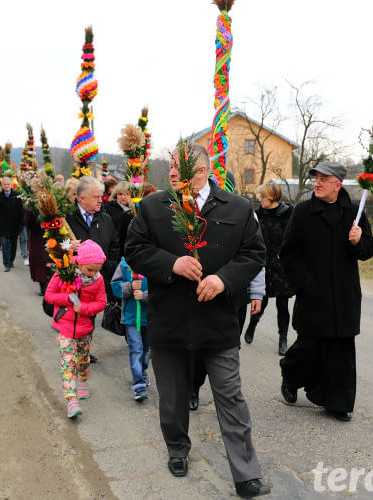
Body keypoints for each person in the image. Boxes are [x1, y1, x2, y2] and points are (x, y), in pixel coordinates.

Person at [125, 142, 271, 498]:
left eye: (180, 167)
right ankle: (177, 448)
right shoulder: (151, 206)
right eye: (171, 166)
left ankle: (246, 472)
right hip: (169, 321)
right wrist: (171, 264)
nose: (172, 172)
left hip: (217, 322)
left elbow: (255, 253)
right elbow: (135, 249)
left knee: (230, 396)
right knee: (173, 396)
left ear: (203, 171)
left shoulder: (237, 207)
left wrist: (224, 279)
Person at [279, 162, 373, 422]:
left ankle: (337, 402)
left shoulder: (354, 213)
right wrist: (304, 284)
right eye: (316, 178)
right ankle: (290, 375)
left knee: (341, 350)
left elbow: (368, 249)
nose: (318, 183)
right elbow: (288, 253)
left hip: (344, 295)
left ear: (339, 184)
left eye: (324, 179)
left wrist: (358, 242)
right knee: (309, 348)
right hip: (313, 293)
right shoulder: (302, 212)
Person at [44, 240, 107, 418]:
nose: (93, 273)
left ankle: (84, 380)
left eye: (97, 270)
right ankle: (71, 401)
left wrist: (84, 309)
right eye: (90, 270)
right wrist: (68, 299)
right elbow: (49, 295)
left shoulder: (98, 280)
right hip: (64, 325)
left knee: (82, 358)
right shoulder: (64, 273)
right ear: (80, 262)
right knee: (68, 361)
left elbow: (102, 302)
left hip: (84, 327)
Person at [190, 268, 265, 412]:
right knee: (201, 347)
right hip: (204, 293)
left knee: (229, 348)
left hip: (235, 299)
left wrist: (257, 292)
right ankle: (194, 387)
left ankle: (224, 396)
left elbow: (254, 257)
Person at [66, 176, 121, 363]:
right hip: (72, 278)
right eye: (96, 196)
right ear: (81, 198)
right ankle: (73, 348)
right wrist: (66, 246)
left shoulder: (105, 219)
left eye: (101, 196)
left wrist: (107, 269)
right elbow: (49, 245)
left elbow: (115, 247)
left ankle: (84, 349)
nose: (101, 200)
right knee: (73, 314)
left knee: (89, 316)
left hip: (98, 279)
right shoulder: (65, 217)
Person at [243, 182, 295, 354]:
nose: (260, 199)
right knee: (261, 301)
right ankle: (252, 326)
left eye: (263, 196)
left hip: (282, 267)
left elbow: (295, 237)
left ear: (273, 197)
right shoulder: (257, 214)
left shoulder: (289, 214)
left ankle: (283, 339)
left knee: (282, 305)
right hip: (263, 265)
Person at [111, 257, 151, 402]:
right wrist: (130, 287)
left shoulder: (152, 260)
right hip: (131, 318)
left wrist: (145, 296)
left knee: (147, 349)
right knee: (136, 349)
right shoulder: (124, 264)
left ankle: (142, 370)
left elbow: (162, 290)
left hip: (150, 318)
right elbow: (115, 286)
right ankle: (139, 385)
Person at [0, 177, 24, 272]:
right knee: (4, 244)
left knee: (13, 245)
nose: (6, 186)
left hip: (14, 225)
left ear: (11, 185)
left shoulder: (16, 196)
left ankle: (11, 259)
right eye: (5, 184)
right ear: (2, 185)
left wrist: (21, 224)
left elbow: (21, 212)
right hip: (2, 226)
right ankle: (6, 263)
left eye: (8, 184)